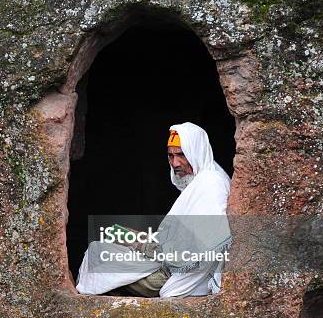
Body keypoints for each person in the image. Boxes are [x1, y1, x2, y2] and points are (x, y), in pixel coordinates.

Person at [75, 122, 232, 298]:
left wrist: (138, 244)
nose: (175, 163)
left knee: (98, 257)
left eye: (181, 155)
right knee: (99, 248)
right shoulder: (201, 183)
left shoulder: (210, 183)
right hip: (169, 265)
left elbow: (190, 254)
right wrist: (137, 237)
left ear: (196, 152)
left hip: (178, 277)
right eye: (171, 156)